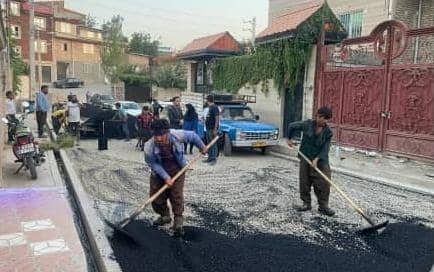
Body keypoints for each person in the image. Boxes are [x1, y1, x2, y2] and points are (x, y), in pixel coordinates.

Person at [144, 119, 207, 236]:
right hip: (159, 173)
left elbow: (193, 136)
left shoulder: (177, 135)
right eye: (156, 135)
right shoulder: (149, 147)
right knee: (156, 196)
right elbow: (153, 164)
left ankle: (178, 221)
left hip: (178, 169)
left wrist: (202, 146)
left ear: (167, 132)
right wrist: (165, 177)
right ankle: (165, 216)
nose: (158, 138)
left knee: (176, 195)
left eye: (161, 135)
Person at [287, 106, 335, 217]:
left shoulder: (328, 132)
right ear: (318, 116)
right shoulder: (307, 124)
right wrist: (289, 139)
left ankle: (323, 206)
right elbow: (291, 126)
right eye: (325, 119)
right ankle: (306, 203)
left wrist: (317, 159)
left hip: (321, 160)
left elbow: (325, 148)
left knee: (324, 182)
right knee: (304, 180)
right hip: (305, 156)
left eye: (328, 119)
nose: (326, 121)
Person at [203, 95, 219, 165]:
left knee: (213, 144)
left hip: (212, 129)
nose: (205, 101)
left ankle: (213, 159)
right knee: (209, 144)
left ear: (207, 100)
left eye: (205, 99)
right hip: (208, 128)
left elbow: (217, 118)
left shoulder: (214, 107)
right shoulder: (210, 107)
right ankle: (209, 158)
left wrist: (215, 129)